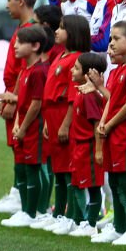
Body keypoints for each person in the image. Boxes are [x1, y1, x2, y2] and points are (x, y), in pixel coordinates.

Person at [89, 20, 126, 245]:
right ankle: (119, 227)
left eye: (115, 38)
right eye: (110, 38)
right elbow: (113, 100)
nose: (110, 43)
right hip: (112, 130)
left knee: (125, 179)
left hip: (125, 130)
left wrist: (109, 124)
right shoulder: (117, 70)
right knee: (113, 180)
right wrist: (100, 87)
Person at [0, 0, 39, 216]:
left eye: (9, 0)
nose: (7, 5)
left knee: (23, 147)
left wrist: (13, 99)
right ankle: (18, 192)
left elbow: (24, 69)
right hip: (15, 94)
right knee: (17, 146)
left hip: (21, 98)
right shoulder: (23, 28)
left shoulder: (30, 30)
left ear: (21, 1)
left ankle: (22, 197)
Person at [43, 15, 92, 235]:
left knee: (69, 170)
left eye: (62, 28)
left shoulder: (77, 59)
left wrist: (65, 125)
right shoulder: (61, 55)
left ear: (72, 33)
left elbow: (73, 96)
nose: (56, 31)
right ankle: (59, 214)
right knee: (58, 169)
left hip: (65, 115)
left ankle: (72, 216)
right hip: (52, 116)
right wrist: (47, 121)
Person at [0, 27, 50, 228]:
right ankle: (26, 210)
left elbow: (36, 104)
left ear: (35, 46)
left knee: (34, 168)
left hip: (35, 129)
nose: (16, 47)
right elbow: (22, 102)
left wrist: (23, 126)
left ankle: (32, 212)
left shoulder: (39, 72)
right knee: (25, 168)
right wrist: (17, 124)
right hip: (24, 127)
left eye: (20, 43)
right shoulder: (26, 70)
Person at [65, 52, 108, 238]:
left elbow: (97, 123)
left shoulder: (90, 97)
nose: (71, 70)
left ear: (87, 74)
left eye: (75, 67)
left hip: (89, 147)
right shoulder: (81, 92)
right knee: (78, 183)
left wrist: (98, 150)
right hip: (79, 146)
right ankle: (79, 220)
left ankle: (91, 223)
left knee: (92, 186)